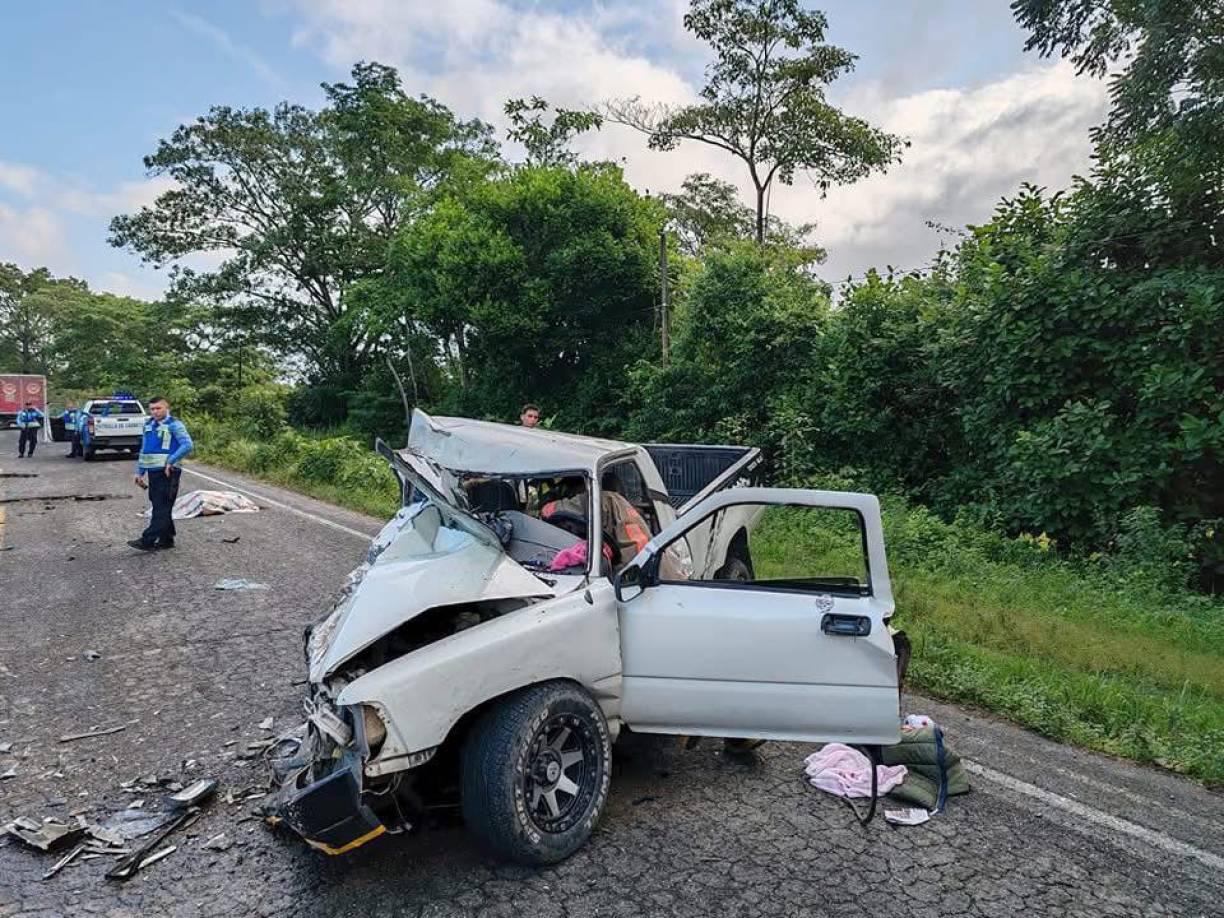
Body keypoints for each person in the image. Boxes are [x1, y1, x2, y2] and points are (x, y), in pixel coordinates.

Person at [128, 397, 194, 551]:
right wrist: (139, 472)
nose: (155, 412)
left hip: (168, 472)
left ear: (166, 408)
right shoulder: (148, 425)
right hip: (153, 471)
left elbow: (187, 445)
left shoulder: (175, 425)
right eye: (152, 409)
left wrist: (171, 461)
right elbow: (145, 450)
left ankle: (148, 540)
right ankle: (166, 539)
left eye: (158, 408)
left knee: (162, 506)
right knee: (159, 504)